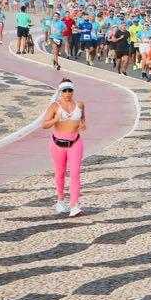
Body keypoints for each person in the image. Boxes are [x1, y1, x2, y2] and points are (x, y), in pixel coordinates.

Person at [42, 80, 86, 217]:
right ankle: (60, 201)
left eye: (70, 90)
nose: (67, 93)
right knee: (60, 173)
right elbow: (44, 125)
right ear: (60, 92)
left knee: (75, 174)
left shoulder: (80, 105)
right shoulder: (54, 106)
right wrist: (55, 120)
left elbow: (82, 119)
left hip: (75, 143)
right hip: (57, 144)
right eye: (65, 91)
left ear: (73, 91)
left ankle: (74, 205)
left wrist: (82, 125)